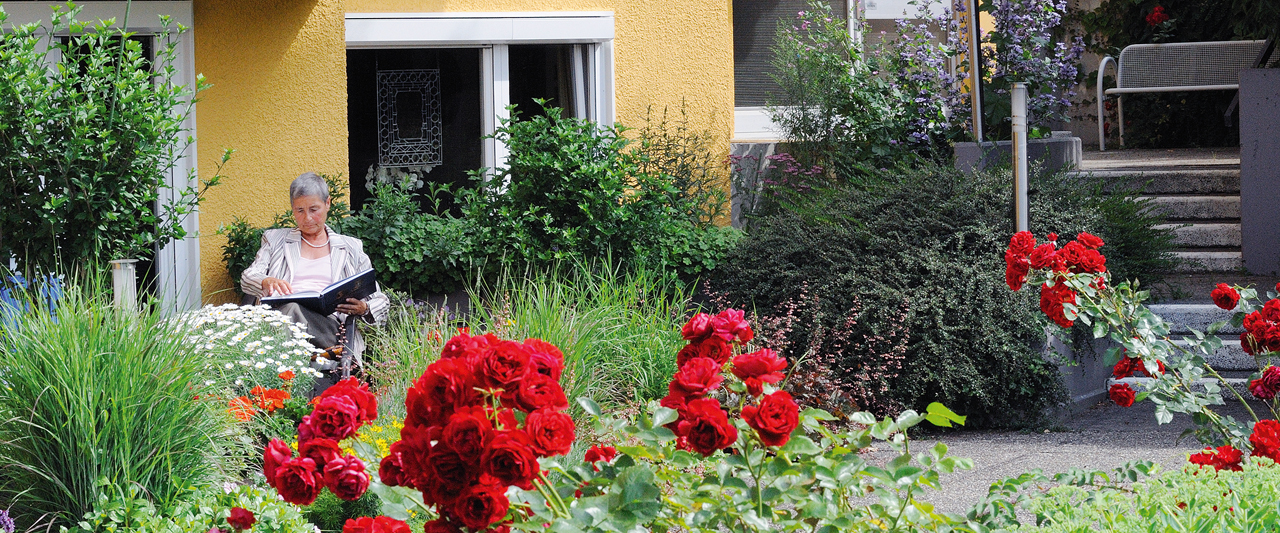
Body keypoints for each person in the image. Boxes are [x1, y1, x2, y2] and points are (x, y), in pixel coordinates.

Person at [241, 172, 389, 386]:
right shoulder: (275, 240)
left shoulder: (350, 248)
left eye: (314, 209)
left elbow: (381, 300)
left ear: (327, 204)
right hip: (280, 321)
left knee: (291, 310)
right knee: (290, 309)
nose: (307, 218)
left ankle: (277, 386)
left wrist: (364, 308)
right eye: (299, 211)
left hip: (330, 330)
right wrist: (265, 281)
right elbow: (248, 277)